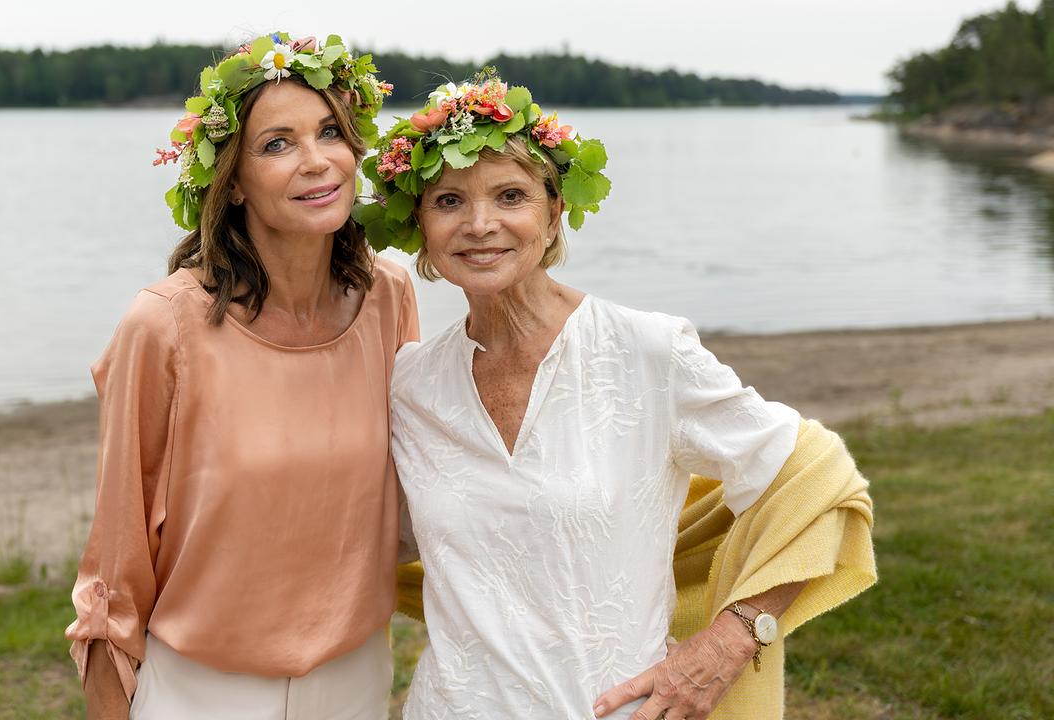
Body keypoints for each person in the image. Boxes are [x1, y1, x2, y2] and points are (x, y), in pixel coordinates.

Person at [364, 71, 876, 720]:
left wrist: (734, 635)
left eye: (510, 196)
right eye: (449, 202)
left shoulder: (649, 352)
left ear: (553, 216)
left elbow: (820, 483)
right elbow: (370, 542)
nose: (480, 224)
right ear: (421, 227)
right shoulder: (411, 383)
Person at [65, 33, 418, 720]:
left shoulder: (389, 299)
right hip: (202, 689)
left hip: (356, 676)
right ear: (232, 184)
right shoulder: (163, 326)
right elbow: (117, 554)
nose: (317, 162)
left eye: (329, 133)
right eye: (277, 144)